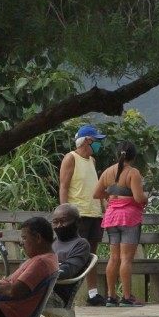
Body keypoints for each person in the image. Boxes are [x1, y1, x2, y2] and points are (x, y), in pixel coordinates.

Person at [0, 204, 93, 317]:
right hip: (39, 288)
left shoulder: (80, 244)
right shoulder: (52, 243)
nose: (58, 226)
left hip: (58, 294)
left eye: (63, 221)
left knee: (15, 298)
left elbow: (69, 270)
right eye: (55, 222)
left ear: (77, 222)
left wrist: (43, 272)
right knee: (12, 295)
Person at [94, 141, 148, 306]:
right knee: (126, 259)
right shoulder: (133, 173)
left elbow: (96, 193)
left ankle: (111, 296)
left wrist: (110, 196)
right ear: (133, 156)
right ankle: (126, 296)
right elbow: (138, 198)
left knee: (114, 258)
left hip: (111, 217)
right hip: (129, 218)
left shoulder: (107, 172)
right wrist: (146, 197)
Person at [59, 124, 106, 305]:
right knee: (76, 255)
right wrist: (64, 212)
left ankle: (93, 293)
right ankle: (70, 293)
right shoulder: (71, 158)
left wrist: (103, 205)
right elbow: (63, 186)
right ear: (87, 140)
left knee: (91, 255)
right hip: (78, 213)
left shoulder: (92, 161)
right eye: (96, 141)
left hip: (94, 213)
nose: (97, 145)